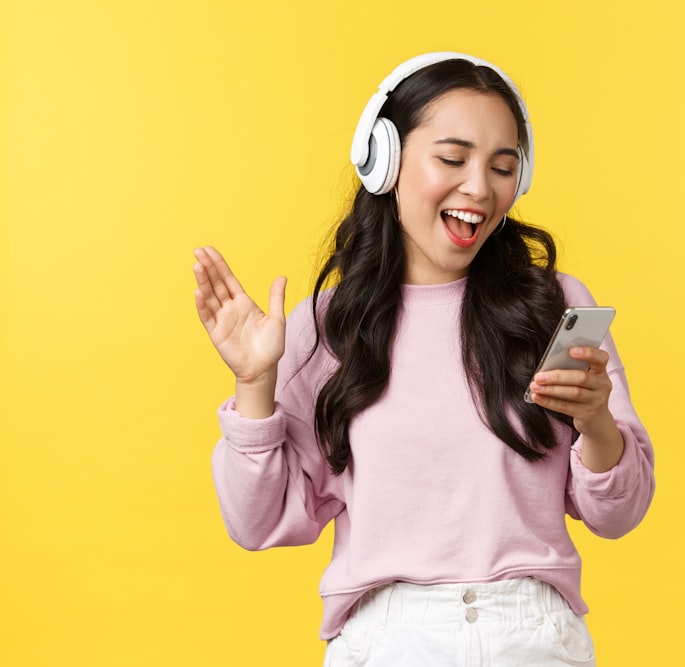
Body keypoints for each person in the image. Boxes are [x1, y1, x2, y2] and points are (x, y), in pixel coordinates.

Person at [192, 52, 655, 666]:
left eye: (502, 166)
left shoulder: (557, 306)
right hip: (387, 639)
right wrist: (254, 385)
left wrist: (597, 423)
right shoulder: (327, 325)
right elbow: (257, 525)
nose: (480, 188)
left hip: (532, 637)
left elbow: (619, 513)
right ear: (383, 160)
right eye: (452, 158)